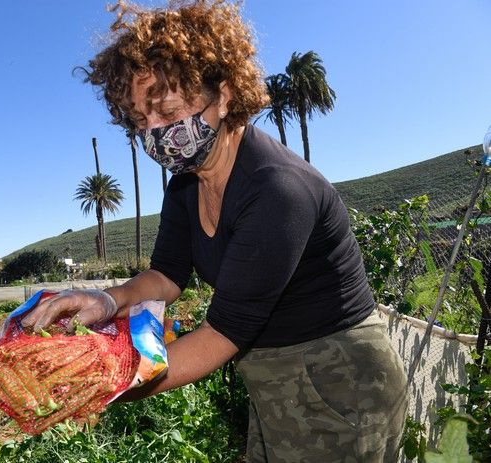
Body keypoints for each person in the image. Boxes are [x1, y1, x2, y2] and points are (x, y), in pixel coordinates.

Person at [23, 1, 409, 461]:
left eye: (166, 113)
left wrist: (110, 383)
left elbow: (220, 335)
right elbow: (166, 276)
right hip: (273, 377)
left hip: (339, 380)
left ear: (224, 96)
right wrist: (108, 299)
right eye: (141, 122)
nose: (155, 136)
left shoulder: (276, 191)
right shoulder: (187, 182)